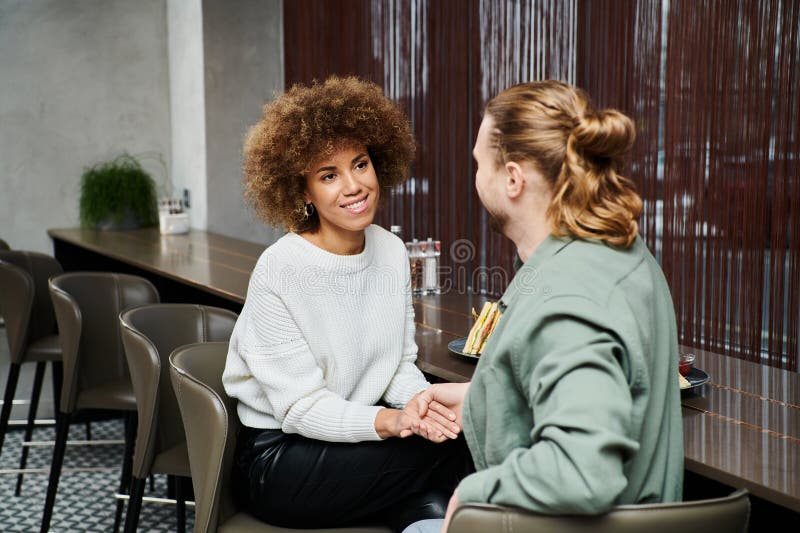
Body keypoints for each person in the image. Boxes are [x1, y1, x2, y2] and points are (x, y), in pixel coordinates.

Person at [404, 80, 684, 533]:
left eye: (479, 164)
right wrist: (483, 400)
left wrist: (473, 494)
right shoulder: (614, 249)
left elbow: (583, 473)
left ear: (513, 178)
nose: (475, 175)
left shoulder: (570, 299)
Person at [222, 76, 473, 533]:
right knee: (453, 451)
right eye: (329, 175)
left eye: (360, 164)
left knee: (443, 453)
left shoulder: (391, 251)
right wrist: (394, 422)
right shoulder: (280, 268)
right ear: (302, 192)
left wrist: (420, 406)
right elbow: (300, 409)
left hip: (357, 447)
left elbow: (396, 365)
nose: (354, 186)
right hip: (279, 458)